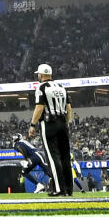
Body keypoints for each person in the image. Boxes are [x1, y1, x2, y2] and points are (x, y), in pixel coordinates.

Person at [28, 63, 73, 196]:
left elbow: (39, 108)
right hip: (63, 123)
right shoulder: (61, 87)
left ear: (41, 75)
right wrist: (67, 123)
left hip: (49, 124)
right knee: (65, 157)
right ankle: (68, 189)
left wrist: (32, 124)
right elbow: (69, 108)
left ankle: (59, 189)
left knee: (53, 158)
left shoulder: (41, 87)